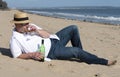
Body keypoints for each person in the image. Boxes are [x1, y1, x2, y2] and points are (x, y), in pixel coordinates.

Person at [10, 12, 116, 66]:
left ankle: (82, 55)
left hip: (54, 39)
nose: (27, 25)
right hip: (51, 51)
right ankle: (104, 62)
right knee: (76, 51)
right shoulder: (15, 39)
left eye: (27, 23)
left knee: (73, 28)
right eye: (24, 24)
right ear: (17, 24)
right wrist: (32, 55)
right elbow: (17, 56)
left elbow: (47, 35)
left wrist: (36, 31)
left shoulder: (31, 26)